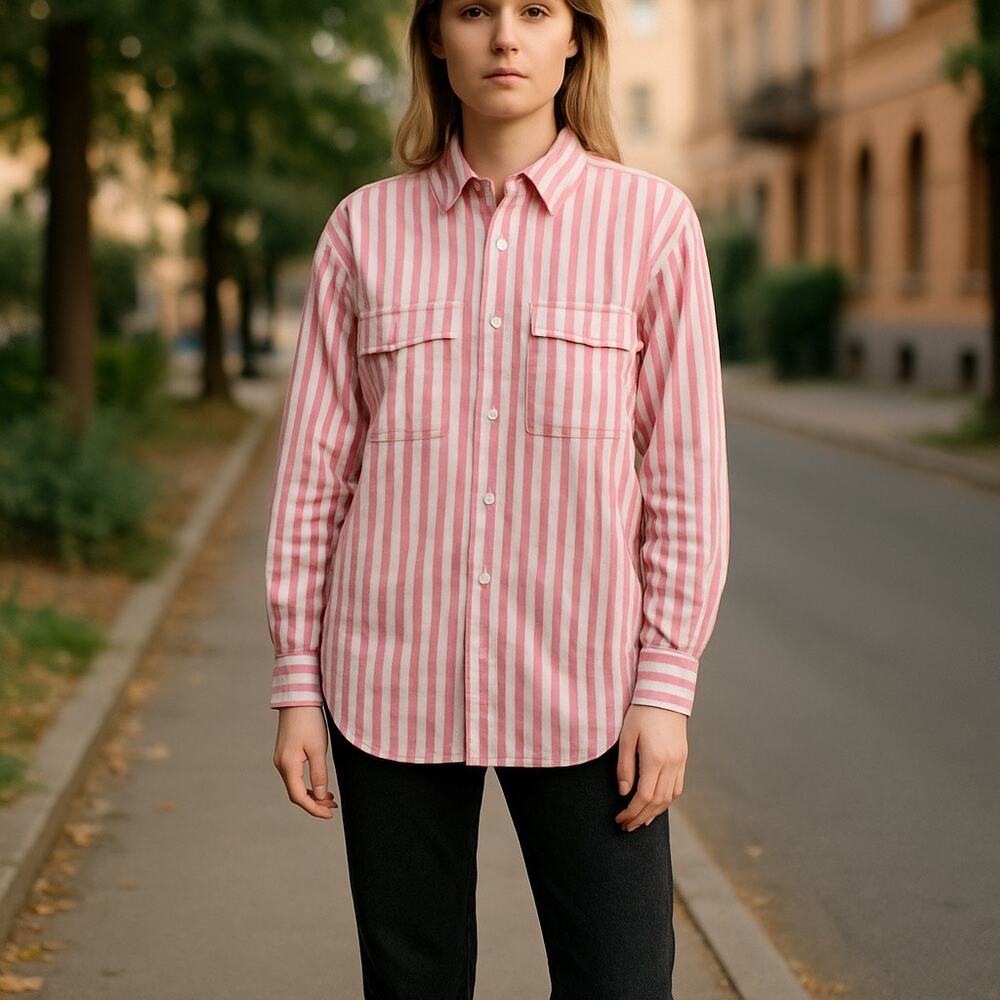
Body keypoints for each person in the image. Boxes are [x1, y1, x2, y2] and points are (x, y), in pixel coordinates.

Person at [264, 0, 731, 996]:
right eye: (475, 10)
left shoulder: (651, 225)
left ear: (575, 37)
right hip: (389, 678)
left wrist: (665, 688)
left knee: (622, 980)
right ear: (437, 38)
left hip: (588, 688)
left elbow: (685, 479)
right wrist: (297, 682)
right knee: (412, 982)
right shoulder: (361, 231)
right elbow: (313, 476)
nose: (505, 37)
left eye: (534, 10)